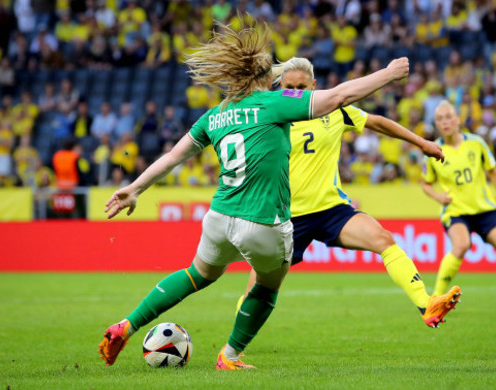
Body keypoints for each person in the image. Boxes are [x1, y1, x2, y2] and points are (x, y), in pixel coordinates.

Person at [98, 21, 412, 370]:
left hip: (218, 217)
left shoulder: (214, 115)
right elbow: (339, 96)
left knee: (196, 275)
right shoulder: (274, 102)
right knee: (268, 286)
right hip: (263, 222)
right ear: (265, 80)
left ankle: (126, 324)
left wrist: (135, 188)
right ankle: (229, 356)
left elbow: (174, 156)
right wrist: (387, 73)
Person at [235, 57, 461, 329]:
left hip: (332, 211)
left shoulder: (333, 108)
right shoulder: (273, 113)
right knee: (258, 291)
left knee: (384, 239)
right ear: (279, 86)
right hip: (287, 217)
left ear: (314, 85)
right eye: (289, 86)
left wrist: (421, 142)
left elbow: (377, 122)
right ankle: (235, 346)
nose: (295, 92)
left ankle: (426, 304)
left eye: (302, 87)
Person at [420, 101, 496, 319]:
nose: (445, 122)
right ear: (436, 124)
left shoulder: (476, 143)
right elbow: (425, 183)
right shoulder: (432, 150)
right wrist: (438, 196)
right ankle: (435, 301)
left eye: (448, 117)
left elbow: (494, 173)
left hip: (485, 209)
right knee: (462, 244)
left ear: (458, 119)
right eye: (440, 119)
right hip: (456, 211)